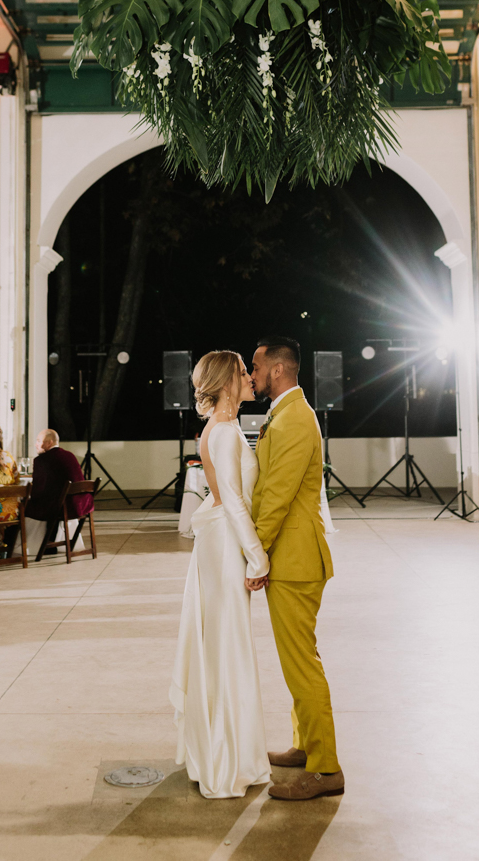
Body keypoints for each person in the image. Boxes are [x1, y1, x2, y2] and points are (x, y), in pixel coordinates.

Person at [170, 350, 271, 799]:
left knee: (219, 647)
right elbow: (232, 500)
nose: (251, 377)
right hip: (228, 548)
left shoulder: (213, 429)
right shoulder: (227, 433)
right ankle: (227, 762)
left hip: (216, 543)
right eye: (244, 372)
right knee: (228, 648)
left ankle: (214, 752)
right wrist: (258, 557)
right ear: (228, 381)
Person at [250, 335, 344, 801]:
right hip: (293, 555)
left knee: (302, 664)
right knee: (297, 659)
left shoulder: (293, 419)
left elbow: (277, 497)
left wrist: (254, 553)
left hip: (295, 557)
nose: (252, 374)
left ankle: (326, 769)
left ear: (279, 370)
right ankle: (306, 747)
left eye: (256, 366)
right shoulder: (287, 414)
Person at [14, 429, 92, 557]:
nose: (36, 444)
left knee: (22, 506)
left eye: (39, 441)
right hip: (78, 505)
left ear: (49, 443)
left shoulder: (42, 460)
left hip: (59, 508)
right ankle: (51, 543)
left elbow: (38, 491)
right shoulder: (70, 455)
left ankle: (28, 545)